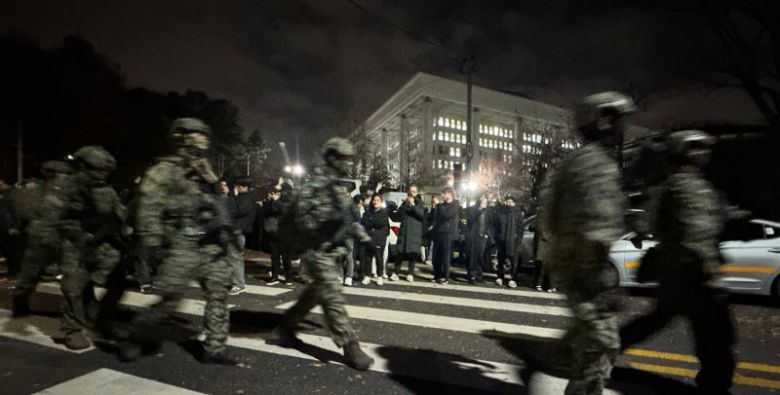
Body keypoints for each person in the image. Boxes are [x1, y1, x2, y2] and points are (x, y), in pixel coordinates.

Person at [619, 130, 736, 394]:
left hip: (680, 271)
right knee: (715, 336)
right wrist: (709, 270)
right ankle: (714, 386)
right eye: (696, 148)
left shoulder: (685, 185)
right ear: (683, 151)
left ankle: (604, 350)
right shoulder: (685, 186)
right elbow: (693, 231)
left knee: (658, 320)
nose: (702, 153)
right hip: (692, 273)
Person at [539, 91, 635, 394]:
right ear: (603, 121)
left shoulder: (577, 161)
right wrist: (600, 281)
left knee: (591, 339)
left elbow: (550, 216)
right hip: (585, 270)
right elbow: (595, 228)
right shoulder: (595, 164)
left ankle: (565, 350)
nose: (624, 128)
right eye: (619, 120)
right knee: (601, 345)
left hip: (574, 266)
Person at [122, 118, 237, 365]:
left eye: (203, 137)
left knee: (218, 294)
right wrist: (153, 245)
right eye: (196, 136)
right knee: (170, 299)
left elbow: (217, 203)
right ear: (181, 139)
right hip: (181, 244)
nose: (201, 142)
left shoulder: (204, 170)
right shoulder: (164, 171)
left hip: (210, 244)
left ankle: (215, 348)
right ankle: (136, 337)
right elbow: (149, 208)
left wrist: (213, 184)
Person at [273, 137, 374, 371]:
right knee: (332, 294)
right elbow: (302, 219)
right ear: (331, 157)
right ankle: (350, 346)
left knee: (314, 295)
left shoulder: (339, 188)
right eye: (343, 158)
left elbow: (349, 220)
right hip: (316, 250)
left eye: (349, 158)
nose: (347, 163)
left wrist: (365, 238)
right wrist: (323, 226)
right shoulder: (313, 186)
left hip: (333, 251)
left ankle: (285, 327)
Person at [57, 147, 126, 350]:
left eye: (106, 172)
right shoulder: (67, 188)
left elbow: (117, 216)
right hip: (74, 243)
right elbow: (53, 219)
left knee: (117, 277)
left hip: (101, 242)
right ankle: (73, 329)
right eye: (98, 170)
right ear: (83, 167)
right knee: (73, 286)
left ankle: (98, 314)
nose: (102, 175)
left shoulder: (107, 190)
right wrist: (78, 232)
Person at [12, 160, 73, 316]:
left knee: (74, 274)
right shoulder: (37, 191)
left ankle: (80, 308)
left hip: (61, 238)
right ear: (53, 175)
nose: (66, 177)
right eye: (63, 174)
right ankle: (20, 301)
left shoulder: (65, 191)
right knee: (30, 273)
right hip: (40, 238)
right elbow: (24, 211)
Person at [389, 186, 425, 282]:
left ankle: (410, 273)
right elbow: (398, 216)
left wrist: (412, 204)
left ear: (416, 192)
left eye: (414, 191)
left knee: (412, 254)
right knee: (399, 253)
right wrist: (390, 211)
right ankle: (396, 272)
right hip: (404, 232)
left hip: (414, 232)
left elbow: (421, 215)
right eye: (410, 191)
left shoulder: (419, 203)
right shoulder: (404, 203)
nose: (412, 193)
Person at [228, 178, 257, 294]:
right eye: (237, 185)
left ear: (246, 187)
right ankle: (237, 282)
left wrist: (234, 197)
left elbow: (237, 211)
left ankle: (238, 283)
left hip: (237, 230)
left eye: (240, 186)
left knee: (235, 257)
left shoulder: (245, 198)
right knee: (236, 257)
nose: (237, 187)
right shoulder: (249, 197)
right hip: (239, 230)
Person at [263, 183, 293, 285]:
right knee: (274, 256)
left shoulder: (289, 200)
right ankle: (275, 276)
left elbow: (285, 211)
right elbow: (267, 212)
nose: (277, 192)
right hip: (273, 231)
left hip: (284, 232)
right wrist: (269, 201)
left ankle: (289, 277)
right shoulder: (273, 199)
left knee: (286, 256)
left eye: (279, 190)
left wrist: (276, 201)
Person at [495, 195, 525, 288]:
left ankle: (513, 279)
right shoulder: (501, 212)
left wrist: (518, 238)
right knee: (501, 259)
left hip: (513, 241)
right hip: (502, 240)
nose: (508, 203)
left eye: (510, 202)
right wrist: (498, 236)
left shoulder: (518, 213)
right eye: (507, 201)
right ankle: (500, 276)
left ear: (514, 203)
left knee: (514, 261)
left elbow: (520, 228)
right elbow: (496, 226)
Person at [430, 187, 459, 284]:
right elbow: (435, 217)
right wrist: (434, 207)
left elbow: (447, 215)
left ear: (450, 194)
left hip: (448, 232)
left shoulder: (455, 204)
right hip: (438, 232)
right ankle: (437, 275)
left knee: (446, 256)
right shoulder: (441, 205)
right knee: (436, 256)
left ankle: (445, 276)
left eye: (444, 193)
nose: (442, 195)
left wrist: (438, 205)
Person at [360, 193, 389, 286]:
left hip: (379, 239)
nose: (375, 202)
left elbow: (380, 223)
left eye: (378, 200)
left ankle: (379, 276)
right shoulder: (368, 212)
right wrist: (372, 223)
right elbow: (364, 223)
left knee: (379, 259)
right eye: (374, 200)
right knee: (367, 258)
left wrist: (371, 221)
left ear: (381, 202)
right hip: (368, 238)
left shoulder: (384, 213)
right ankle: (367, 276)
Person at [465, 195, 490, 284]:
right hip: (473, 236)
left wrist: (487, 234)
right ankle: (471, 275)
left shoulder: (487, 211)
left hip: (482, 236)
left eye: (486, 202)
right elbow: (470, 220)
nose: (484, 203)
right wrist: (480, 209)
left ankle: (479, 275)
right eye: (483, 201)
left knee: (480, 256)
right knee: (472, 256)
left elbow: (489, 224)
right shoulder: (473, 209)